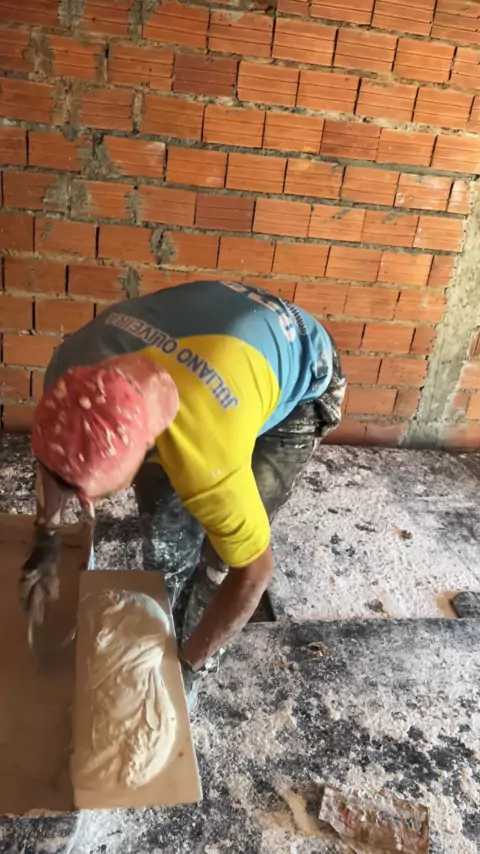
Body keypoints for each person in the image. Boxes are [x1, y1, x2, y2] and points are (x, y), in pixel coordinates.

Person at [20, 279, 346, 707]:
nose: (87, 504)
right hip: (220, 335)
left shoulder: (208, 454)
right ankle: (165, 618)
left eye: (92, 497)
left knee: (224, 557)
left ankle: (194, 650)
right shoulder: (71, 368)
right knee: (167, 535)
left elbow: (254, 571)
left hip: (301, 366)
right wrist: (45, 538)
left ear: (141, 451)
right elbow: (57, 460)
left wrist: (184, 667)